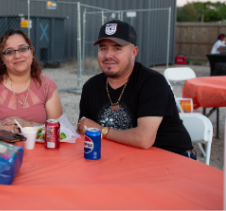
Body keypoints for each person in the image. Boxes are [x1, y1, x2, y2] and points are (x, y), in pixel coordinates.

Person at [76, 20, 196, 158]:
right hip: (122, 158)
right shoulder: (90, 87)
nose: (108, 55)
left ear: (133, 52)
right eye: (103, 48)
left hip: (172, 159)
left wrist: (102, 130)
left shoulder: (152, 82)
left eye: (117, 48)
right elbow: (84, 130)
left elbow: (144, 139)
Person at [0, 29, 63, 133]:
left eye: (23, 49)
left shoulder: (46, 85)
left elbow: (60, 129)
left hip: (40, 148)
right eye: (10, 52)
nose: (17, 56)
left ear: (31, 51)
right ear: (2, 58)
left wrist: (28, 124)